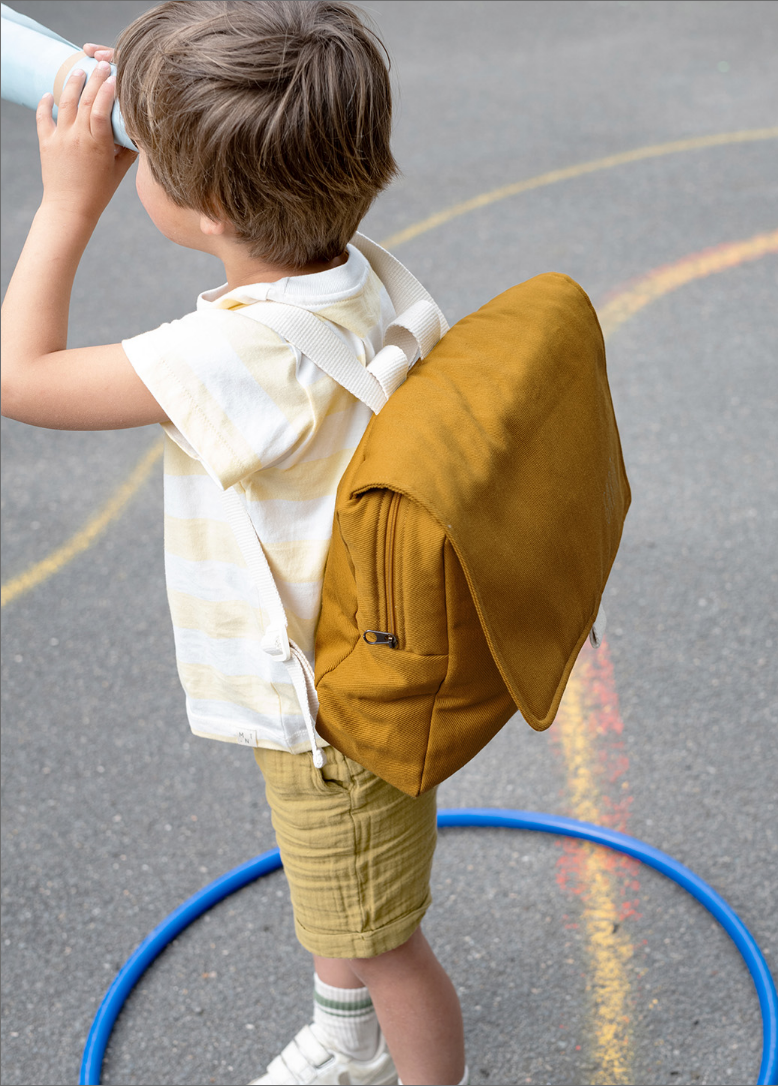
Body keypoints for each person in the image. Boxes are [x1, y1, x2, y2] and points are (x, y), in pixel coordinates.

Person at [0, 3, 467, 1084]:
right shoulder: (348, 270)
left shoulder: (232, 356)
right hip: (354, 653)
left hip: (324, 705)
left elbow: (21, 379)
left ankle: (406, 1061)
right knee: (336, 886)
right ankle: (345, 1040)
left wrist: (68, 201)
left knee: (385, 934)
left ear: (204, 208)